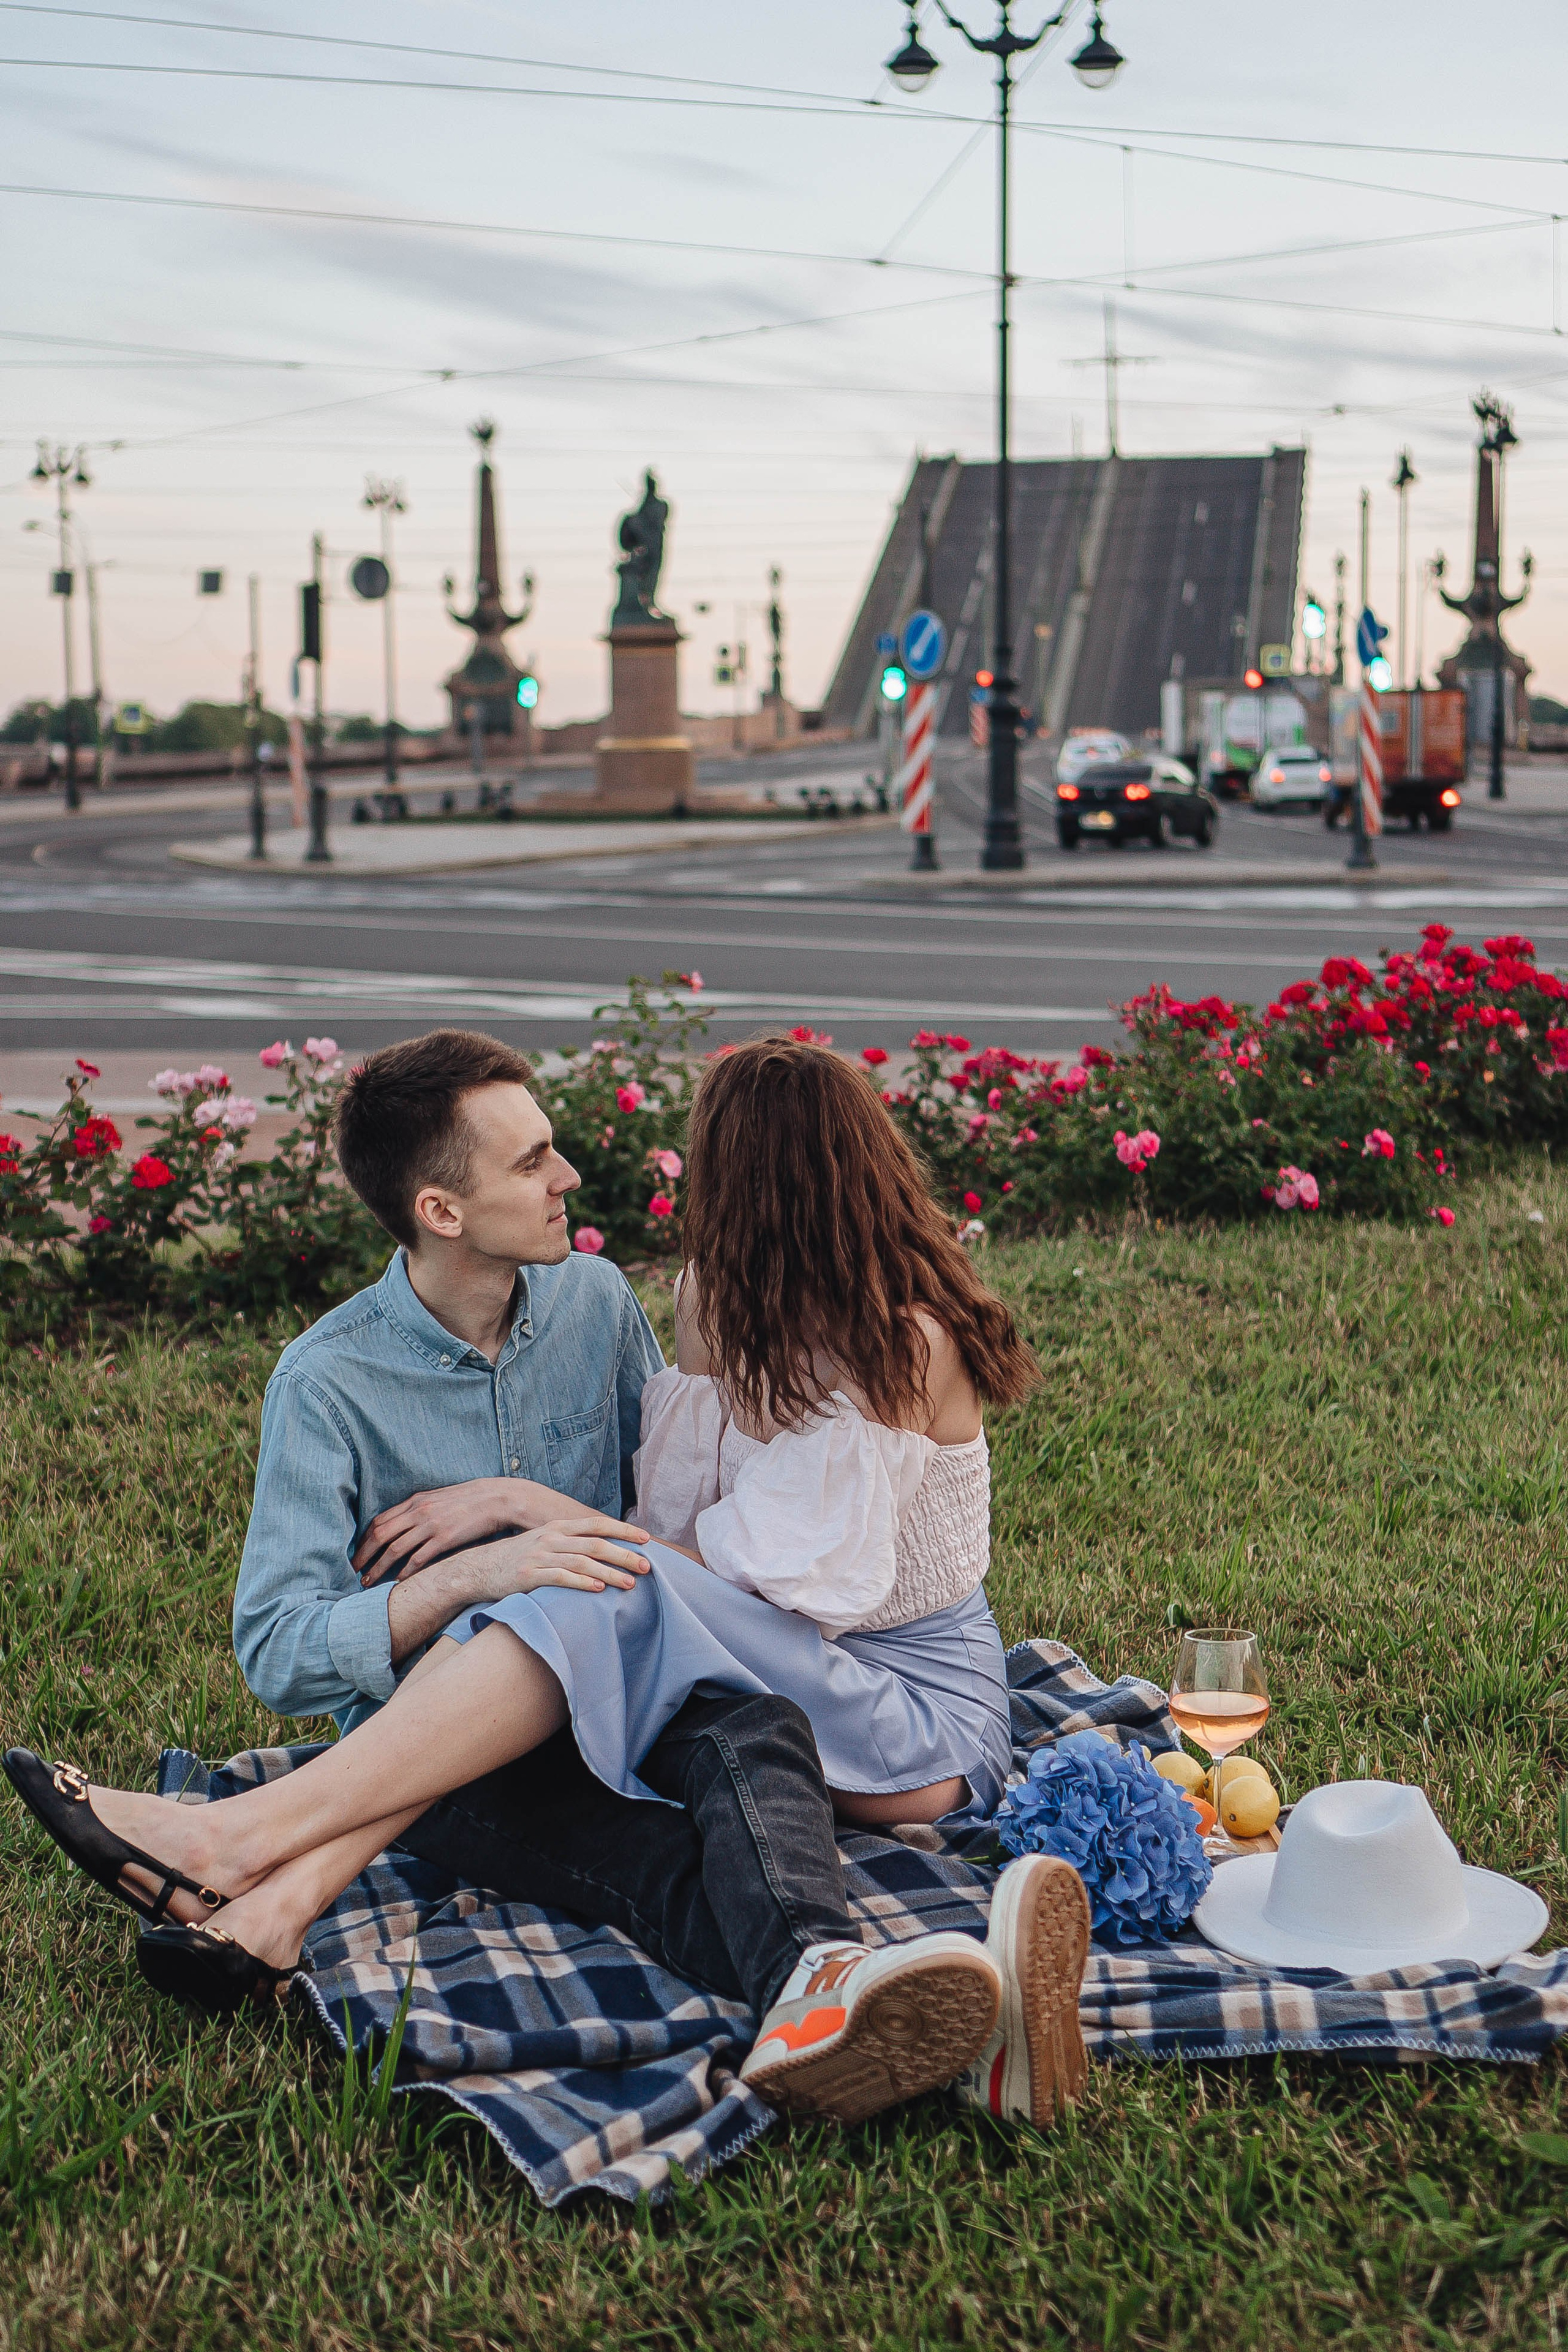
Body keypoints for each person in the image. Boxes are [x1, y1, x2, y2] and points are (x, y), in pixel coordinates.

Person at [8, 1032, 1088, 2127]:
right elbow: (284, 1652)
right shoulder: (330, 1382)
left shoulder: (626, 1310)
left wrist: (526, 1518)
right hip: (500, 1724)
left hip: (862, 1703)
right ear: (442, 1210)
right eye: (533, 1162)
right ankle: (882, 2005)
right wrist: (482, 1572)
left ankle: (251, 1847)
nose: (572, 1178)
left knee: (631, 1625)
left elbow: (699, 1575)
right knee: (681, 1773)